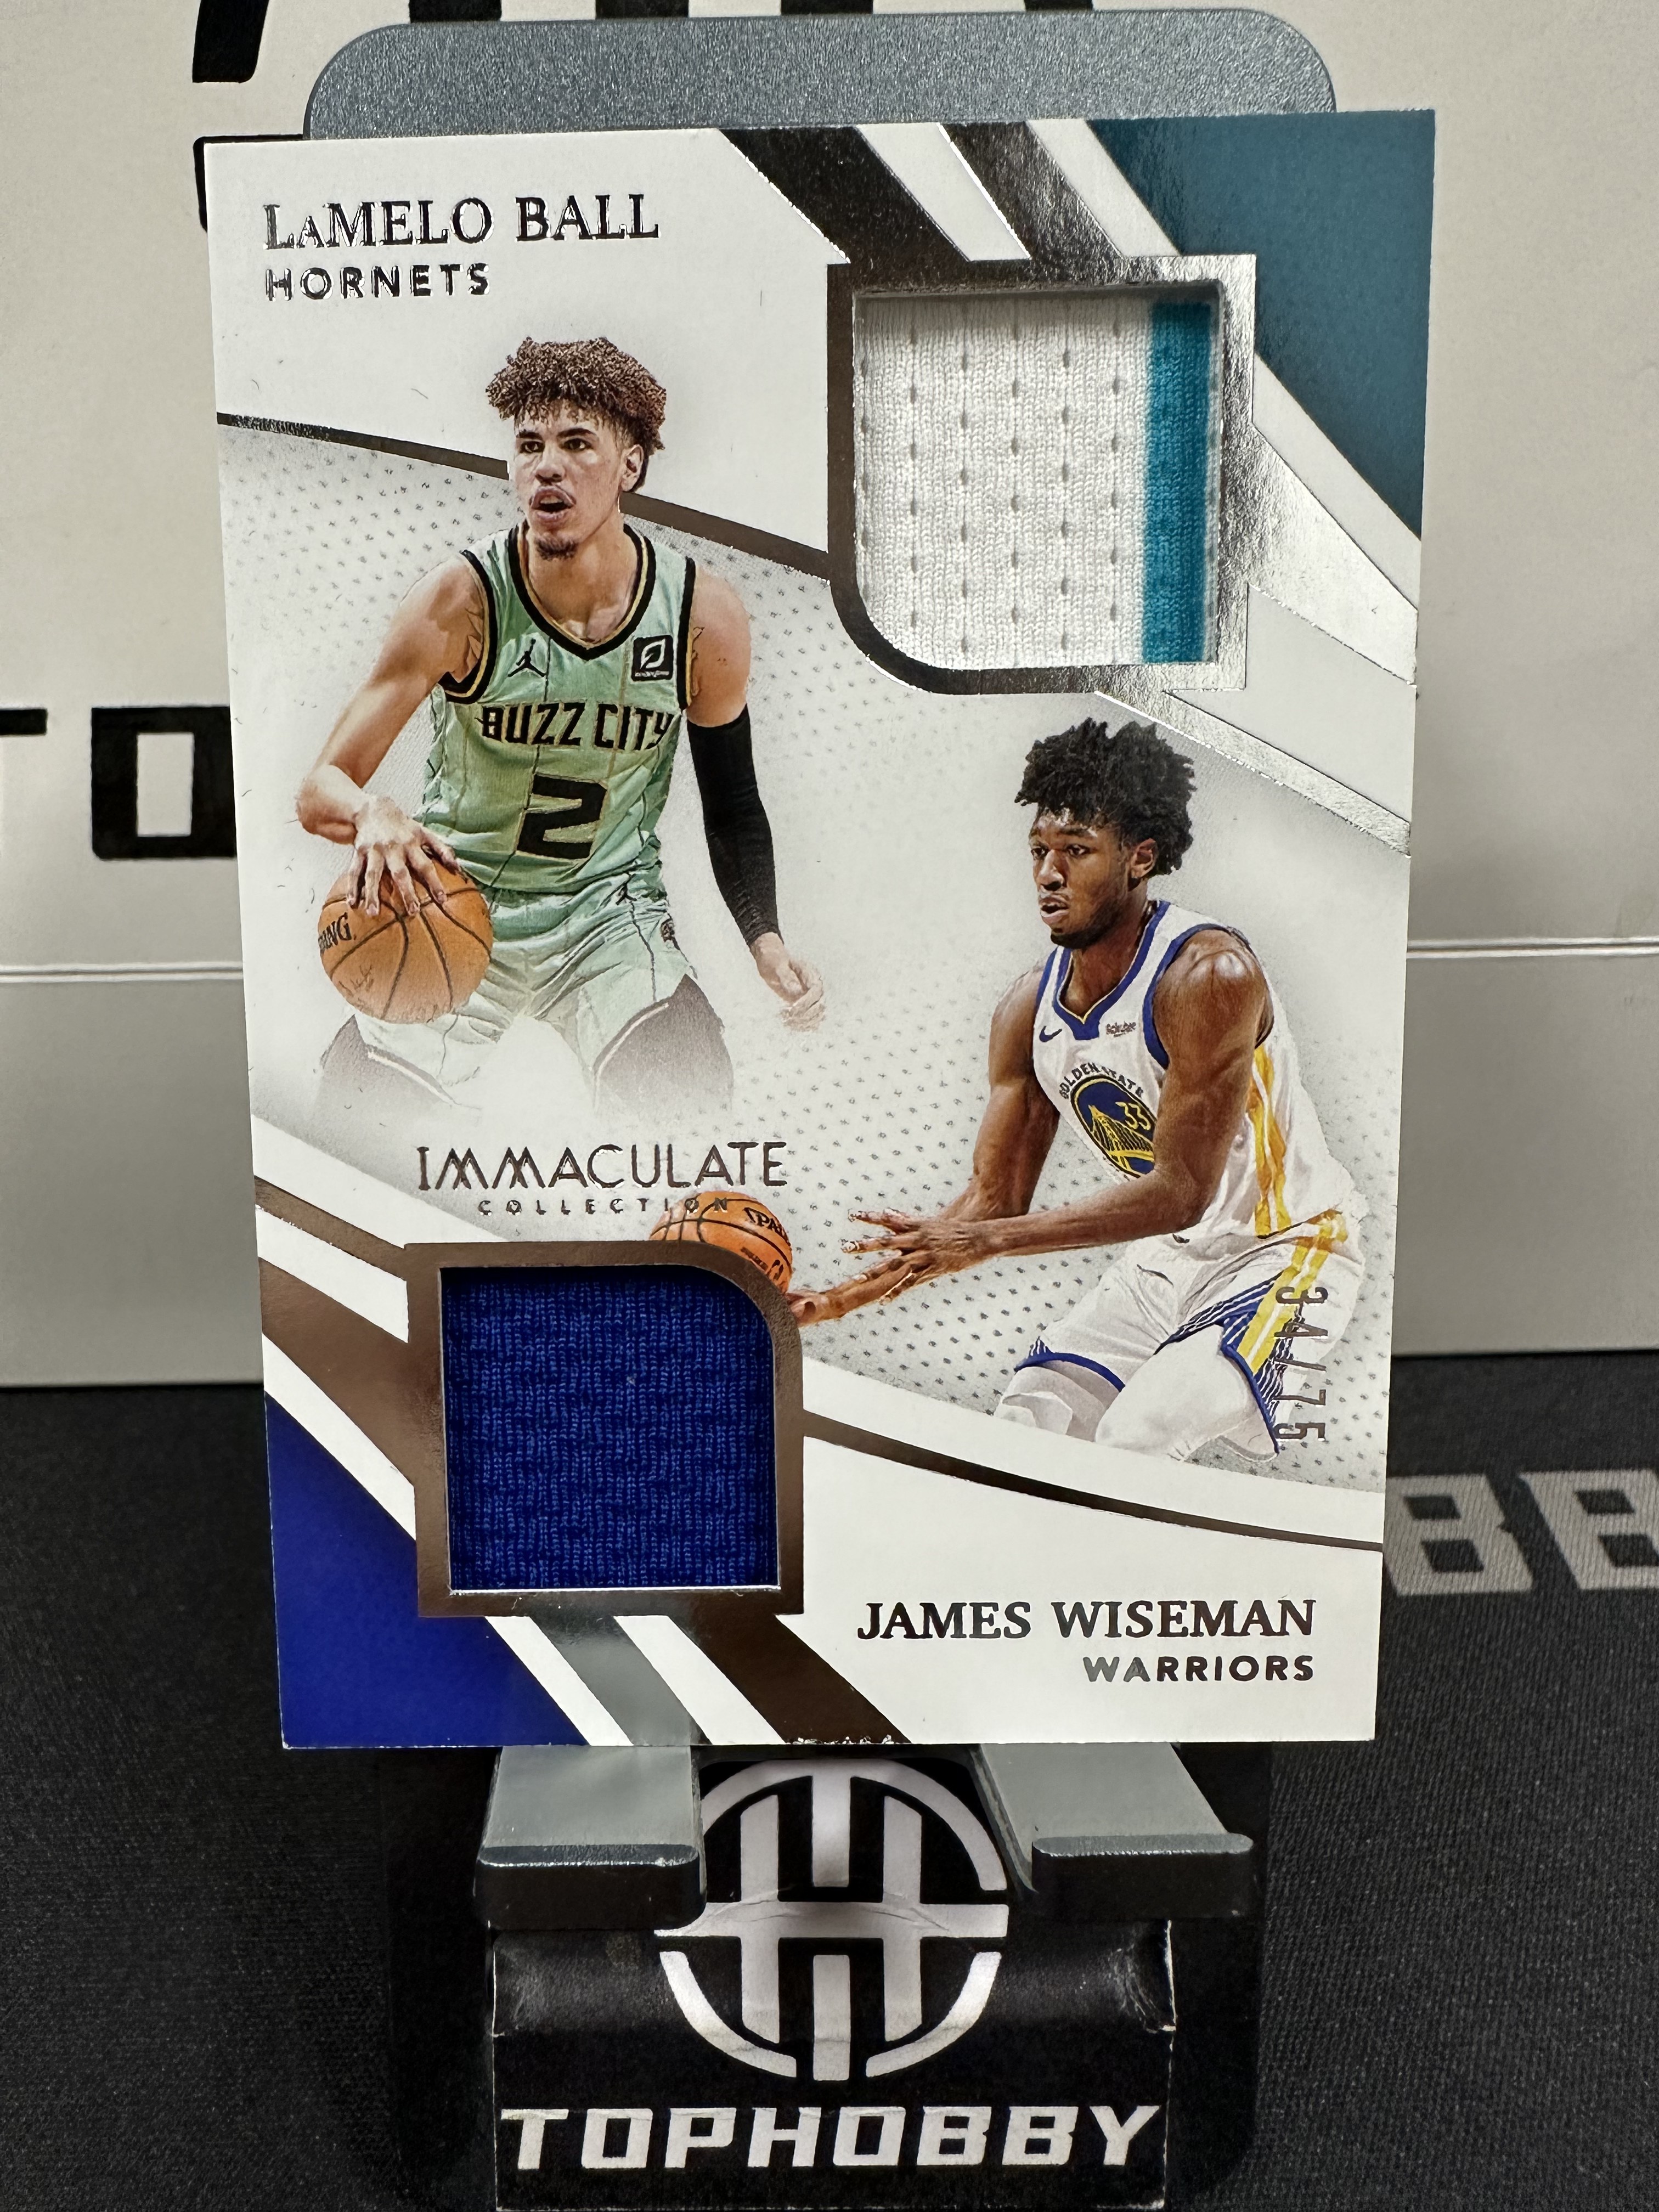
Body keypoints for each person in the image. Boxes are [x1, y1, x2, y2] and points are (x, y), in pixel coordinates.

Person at [788, 718, 1363, 1463]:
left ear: (1140, 858)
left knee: (1139, 1434)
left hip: (1288, 1250)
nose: (1049, 874)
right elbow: (993, 1199)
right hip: (1167, 1262)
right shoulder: (1027, 1009)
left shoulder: (1209, 976)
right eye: (1039, 851)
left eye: (1077, 851)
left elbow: (1181, 1192)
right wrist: (837, 1300)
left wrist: (987, 1242)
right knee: (1028, 1428)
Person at [298, 335, 821, 1118]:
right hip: (454, 899)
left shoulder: (700, 615)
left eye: (577, 444)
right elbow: (320, 788)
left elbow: (733, 803)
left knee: (688, 1099)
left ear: (630, 466)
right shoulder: (460, 601)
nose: (548, 466)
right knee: (356, 1125)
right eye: (529, 446)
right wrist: (372, 810)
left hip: (606, 915)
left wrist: (764, 937)